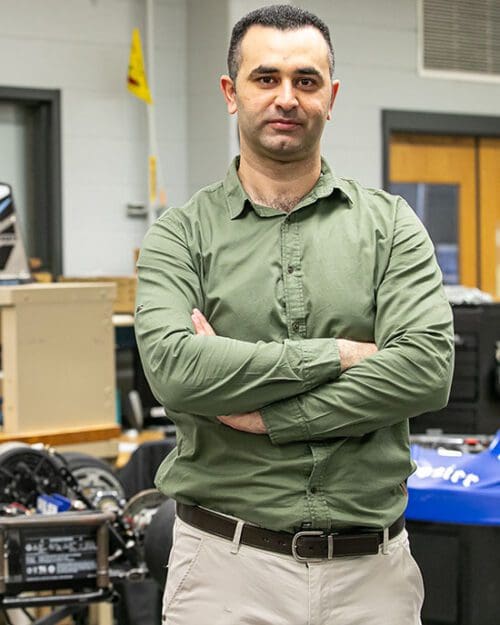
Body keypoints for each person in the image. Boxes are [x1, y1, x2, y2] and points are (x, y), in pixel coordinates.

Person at [135, 5, 454, 624]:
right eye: (266, 79)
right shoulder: (181, 235)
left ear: (331, 97)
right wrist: (337, 354)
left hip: (373, 576)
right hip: (225, 571)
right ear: (231, 93)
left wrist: (268, 416)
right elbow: (176, 369)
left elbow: (424, 370)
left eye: (306, 81)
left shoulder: (390, 227)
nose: (287, 98)